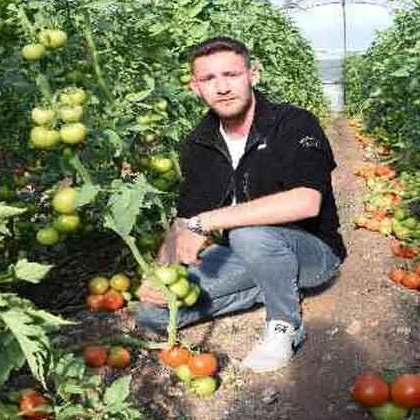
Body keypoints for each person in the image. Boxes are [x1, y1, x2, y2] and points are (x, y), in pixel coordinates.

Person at [135, 36, 346, 373]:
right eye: (208, 79)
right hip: (242, 253)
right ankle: (273, 285)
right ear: (195, 88)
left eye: (231, 75)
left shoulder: (293, 123)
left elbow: (307, 201)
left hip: (312, 253)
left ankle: (283, 326)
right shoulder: (198, 144)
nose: (221, 88)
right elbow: (186, 219)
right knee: (153, 313)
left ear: (253, 75)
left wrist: (206, 222)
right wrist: (163, 274)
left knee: (248, 234)